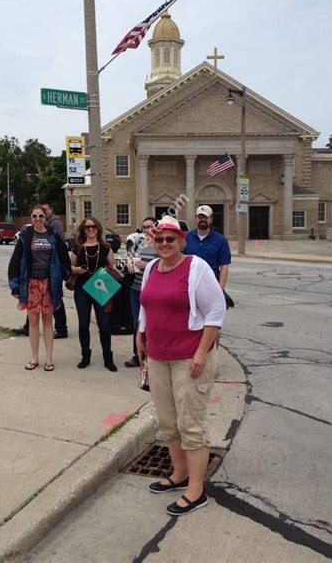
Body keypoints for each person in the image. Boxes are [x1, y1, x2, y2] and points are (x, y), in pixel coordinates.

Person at [137, 216, 226, 516]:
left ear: (181, 240)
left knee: (190, 424)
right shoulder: (151, 268)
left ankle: (196, 489)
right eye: (160, 239)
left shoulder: (196, 268)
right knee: (168, 422)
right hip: (158, 356)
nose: (164, 244)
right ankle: (179, 474)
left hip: (189, 357)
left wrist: (202, 352)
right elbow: (146, 305)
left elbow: (215, 311)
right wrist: (141, 334)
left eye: (170, 239)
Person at [8, 205, 71, 371]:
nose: (37, 219)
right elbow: (15, 261)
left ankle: (49, 359)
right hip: (31, 284)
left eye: (41, 216)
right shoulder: (25, 236)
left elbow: (64, 256)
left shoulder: (53, 235)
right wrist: (15, 286)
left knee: (48, 320)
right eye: (34, 216)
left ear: (45, 217)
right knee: (33, 321)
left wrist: (66, 275)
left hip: (49, 284)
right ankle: (34, 357)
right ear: (31, 218)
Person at [70, 217, 117, 372]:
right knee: (83, 324)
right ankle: (85, 356)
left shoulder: (105, 248)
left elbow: (113, 267)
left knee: (104, 324)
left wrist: (112, 272)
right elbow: (70, 266)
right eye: (87, 227)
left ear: (98, 228)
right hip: (82, 288)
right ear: (83, 230)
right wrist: (76, 270)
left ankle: (108, 358)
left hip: (101, 286)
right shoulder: (77, 247)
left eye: (93, 227)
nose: (90, 229)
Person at [124, 216, 157, 368]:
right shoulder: (139, 242)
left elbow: (164, 263)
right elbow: (129, 256)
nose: (146, 230)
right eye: (144, 227)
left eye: (149, 226)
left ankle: (153, 355)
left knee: (151, 323)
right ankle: (137, 355)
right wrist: (130, 264)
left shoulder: (160, 244)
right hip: (135, 289)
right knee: (136, 323)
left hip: (152, 291)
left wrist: (147, 264)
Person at [184, 205, 231, 290]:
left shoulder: (221, 240)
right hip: (189, 286)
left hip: (211, 286)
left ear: (211, 219)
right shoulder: (185, 238)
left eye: (206, 217)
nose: (203, 220)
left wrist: (220, 289)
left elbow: (224, 267)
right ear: (196, 218)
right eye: (200, 217)